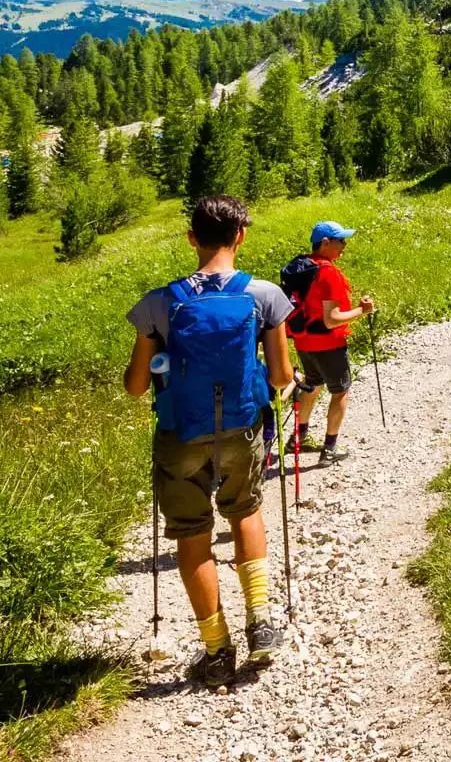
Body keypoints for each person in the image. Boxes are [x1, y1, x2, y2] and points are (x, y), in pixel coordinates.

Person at [123, 194, 295, 686]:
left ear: (192, 239)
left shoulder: (160, 302)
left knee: (192, 535)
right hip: (242, 428)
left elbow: (137, 387)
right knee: (244, 511)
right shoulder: (264, 296)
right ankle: (260, 620)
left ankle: (217, 649)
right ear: (240, 235)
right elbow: (282, 377)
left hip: (181, 434)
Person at [287, 220, 376, 465]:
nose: (344, 246)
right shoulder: (328, 273)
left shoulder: (299, 266)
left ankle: (298, 438)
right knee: (340, 391)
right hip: (328, 345)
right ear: (325, 242)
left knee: (312, 384)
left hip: (303, 342)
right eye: (340, 241)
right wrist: (362, 310)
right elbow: (332, 319)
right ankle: (329, 449)